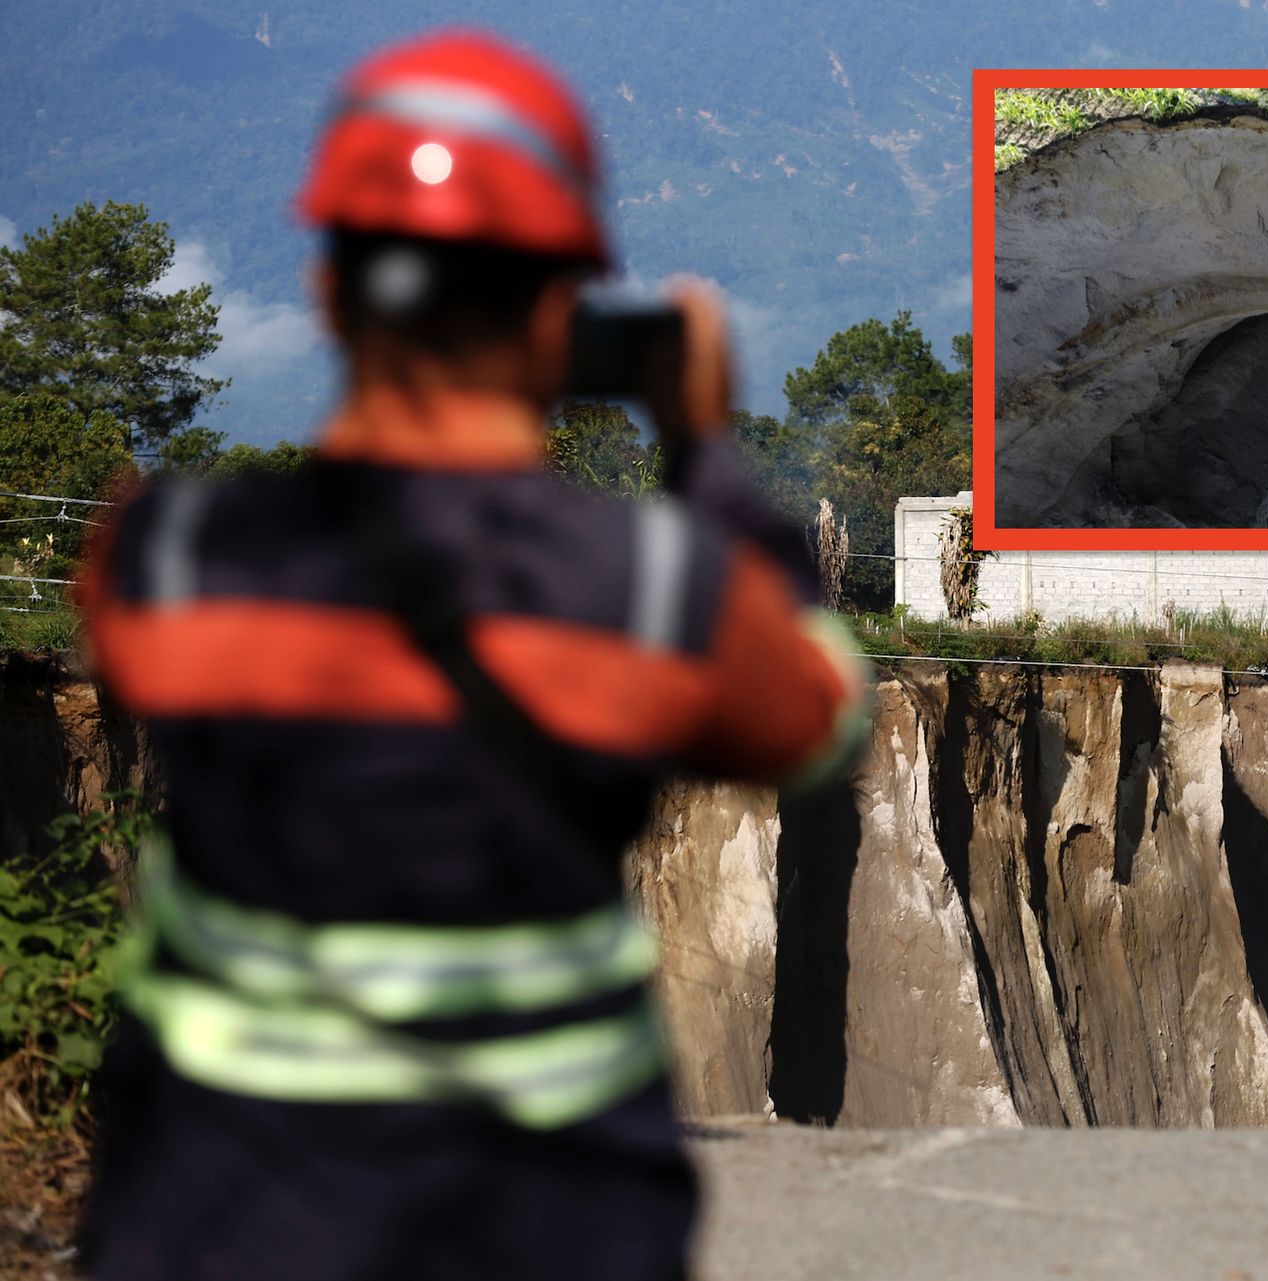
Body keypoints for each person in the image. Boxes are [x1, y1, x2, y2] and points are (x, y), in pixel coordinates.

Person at [75, 29, 868, 1281]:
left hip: (215, 1224)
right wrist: (707, 461)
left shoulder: (163, 559)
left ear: (329, 295)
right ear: (562, 314)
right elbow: (816, 717)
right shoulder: (653, 589)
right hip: (553, 1223)